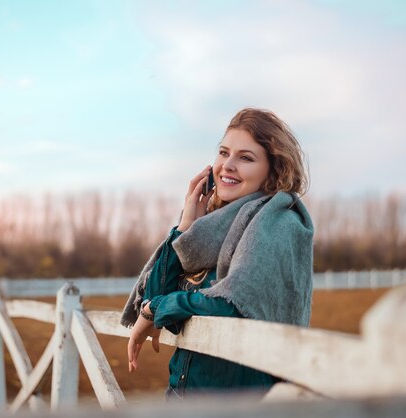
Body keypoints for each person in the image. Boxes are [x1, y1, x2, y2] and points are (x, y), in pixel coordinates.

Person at [121, 108, 313, 399]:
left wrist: (155, 309)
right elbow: (157, 295)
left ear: (273, 170)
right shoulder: (212, 228)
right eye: (224, 153)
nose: (228, 166)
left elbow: (232, 305)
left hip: (237, 406)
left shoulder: (279, 223)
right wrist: (185, 228)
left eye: (245, 158)